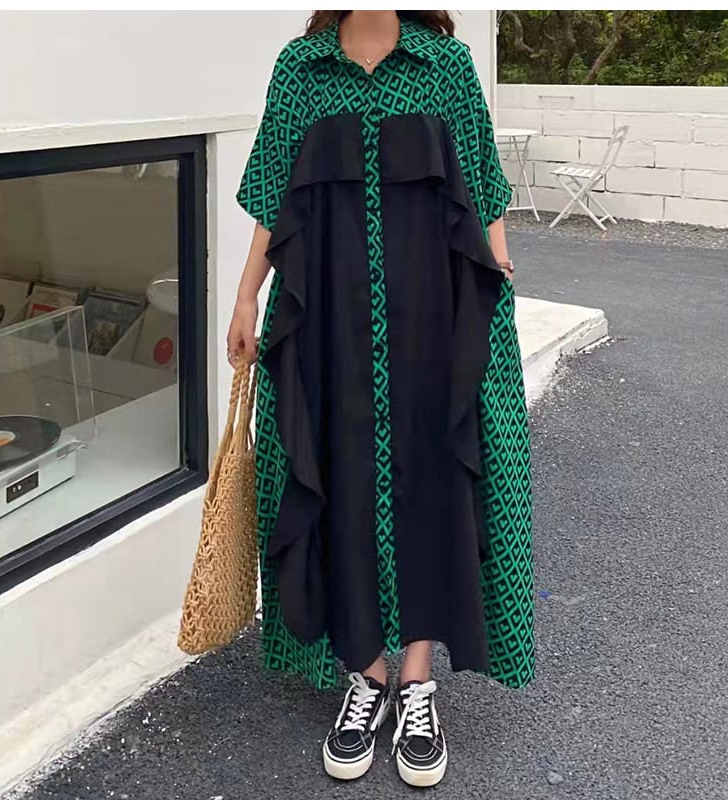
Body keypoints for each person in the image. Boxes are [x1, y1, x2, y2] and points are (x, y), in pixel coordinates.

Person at [229, 9, 534, 789]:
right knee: (341, 478)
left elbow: (483, 183)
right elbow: (272, 193)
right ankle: (365, 674)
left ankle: (418, 680)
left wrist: (499, 282)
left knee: (433, 477)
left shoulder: (445, 68)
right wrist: (246, 297)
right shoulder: (300, 70)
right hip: (328, 321)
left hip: (433, 314)